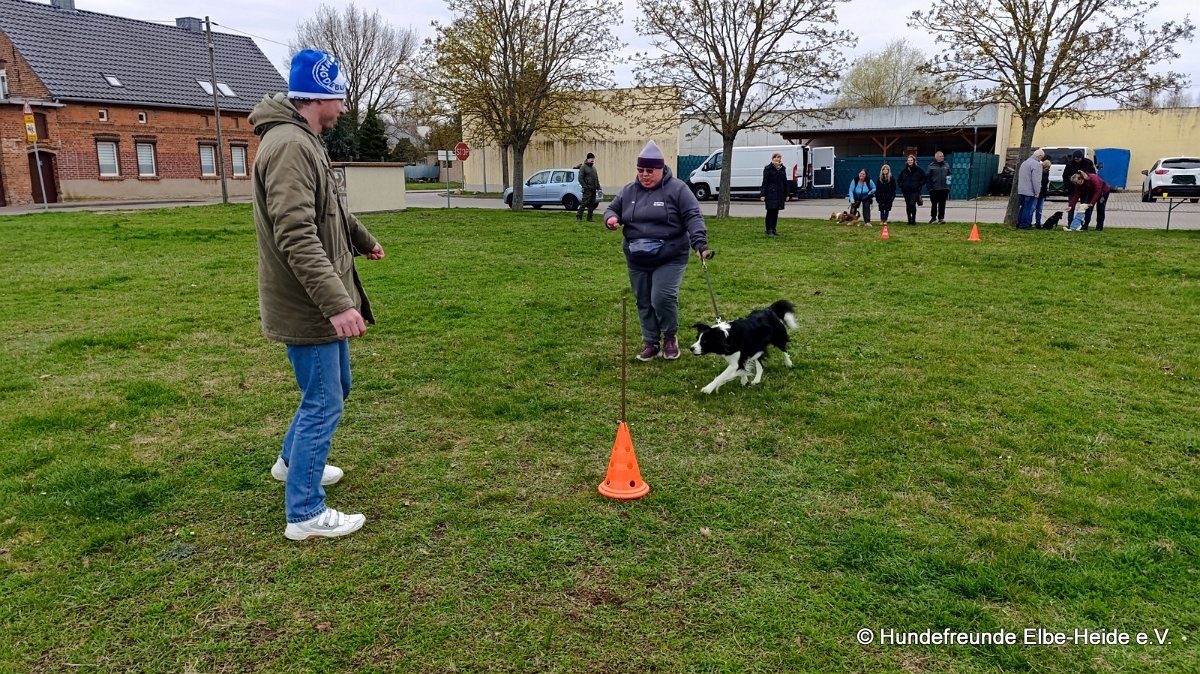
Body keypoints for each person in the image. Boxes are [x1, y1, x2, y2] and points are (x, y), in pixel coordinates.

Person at [251, 49, 385, 540]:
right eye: (341, 97)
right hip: (307, 304)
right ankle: (305, 513)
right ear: (321, 97)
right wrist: (337, 303)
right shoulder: (289, 146)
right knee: (324, 401)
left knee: (334, 389)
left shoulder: (302, 139)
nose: (345, 108)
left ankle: (292, 464)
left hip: (315, 299)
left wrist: (362, 240)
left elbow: (330, 209)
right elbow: (296, 232)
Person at [604, 140, 713, 361]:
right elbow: (611, 208)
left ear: (661, 169)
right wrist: (611, 219)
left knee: (661, 297)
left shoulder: (678, 189)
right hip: (637, 256)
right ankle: (651, 342)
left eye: (649, 170)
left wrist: (699, 243)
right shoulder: (628, 191)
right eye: (640, 170)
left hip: (670, 255)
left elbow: (693, 216)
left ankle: (670, 338)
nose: (644, 174)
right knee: (643, 300)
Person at [1064, 149, 1098, 228]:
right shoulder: (1069, 164)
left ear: (1081, 157)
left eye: (1078, 159)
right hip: (1072, 189)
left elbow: (1093, 174)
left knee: (1084, 207)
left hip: (1085, 189)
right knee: (1071, 206)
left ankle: (1085, 224)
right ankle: (1070, 223)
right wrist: (1067, 187)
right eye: (1075, 159)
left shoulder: (1088, 163)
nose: (1076, 160)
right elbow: (1065, 176)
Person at [760, 152, 789, 236]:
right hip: (770, 193)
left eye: (778, 157)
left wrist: (787, 194)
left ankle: (774, 229)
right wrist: (763, 194)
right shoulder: (768, 168)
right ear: (772, 159)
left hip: (779, 193)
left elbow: (785, 182)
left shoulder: (783, 169)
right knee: (770, 211)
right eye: (775, 157)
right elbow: (764, 182)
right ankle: (769, 229)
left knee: (776, 212)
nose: (777, 159)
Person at [1016, 149, 1045, 230]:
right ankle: (1025, 225)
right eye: (1042, 157)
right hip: (1030, 191)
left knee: (1023, 207)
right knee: (1028, 208)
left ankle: (1019, 223)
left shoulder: (1025, 163)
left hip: (1022, 190)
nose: (1041, 159)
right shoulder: (1036, 165)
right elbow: (1036, 180)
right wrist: (1037, 192)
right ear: (1039, 156)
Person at [897, 154, 926, 224]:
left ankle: (913, 219)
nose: (909, 161)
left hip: (915, 191)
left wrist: (919, 184)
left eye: (911, 160)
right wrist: (902, 185)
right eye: (908, 160)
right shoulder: (904, 171)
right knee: (908, 205)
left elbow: (924, 178)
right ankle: (909, 220)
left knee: (912, 204)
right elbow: (899, 180)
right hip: (906, 191)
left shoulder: (919, 170)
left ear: (914, 161)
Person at [575, 152, 601, 222]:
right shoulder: (583, 167)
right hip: (587, 189)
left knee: (592, 204)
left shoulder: (593, 168)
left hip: (593, 189)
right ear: (587, 159)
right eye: (591, 158)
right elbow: (580, 178)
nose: (592, 160)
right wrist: (585, 187)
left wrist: (598, 187)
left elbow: (596, 178)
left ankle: (589, 217)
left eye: (593, 159)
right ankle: (579, 216)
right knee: (584, 203)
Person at [927, 151, 951, 223]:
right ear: (936, 157)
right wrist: (930, 188)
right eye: (940, 156)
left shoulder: (946, 165)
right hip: (934, 189)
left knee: (942, 205)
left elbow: (949, 174)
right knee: (934, 204)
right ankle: (933, 217)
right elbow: (927, 178)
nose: (942, 157)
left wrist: (948, 184)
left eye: (943, 156)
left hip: (944, 189)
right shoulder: (931, 166)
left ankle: (941, 218)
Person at [1034, 159, 1051, 229]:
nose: (1047, 170)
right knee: (1032, 208)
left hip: (1043, 193)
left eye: (1048, 169)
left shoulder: (1047, 172)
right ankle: (1028, 222)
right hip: (1037, 193)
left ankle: (1038, 223)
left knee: (1040, 209)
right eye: (1046, 169)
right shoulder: (1038, 172)